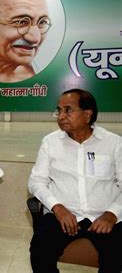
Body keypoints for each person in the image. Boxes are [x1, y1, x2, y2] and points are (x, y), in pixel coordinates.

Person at [28, 89, 121, 272]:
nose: (61, 116)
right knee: (39, 251)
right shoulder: (50, 142)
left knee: (116, 254)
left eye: (68, 110)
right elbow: (36, 181)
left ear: (87, 115)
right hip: (62, 215)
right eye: (59, 110)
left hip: (103, 215)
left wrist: (112, 214)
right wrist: (57, 208)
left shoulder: (114, 143)